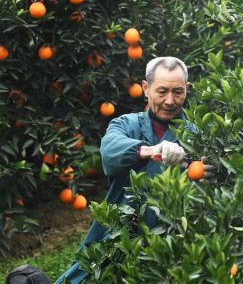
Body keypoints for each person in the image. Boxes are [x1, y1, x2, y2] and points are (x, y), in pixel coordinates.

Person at [55, 56, 210, 284]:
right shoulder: (126, 124)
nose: (170, 100)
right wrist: (150, 150)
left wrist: (211, 175)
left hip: (175, 239)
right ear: (146, 89)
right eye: (162, 91)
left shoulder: (198, 133)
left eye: (178, 92)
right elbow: (109, 152)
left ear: (187, 89)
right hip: (119, 234)